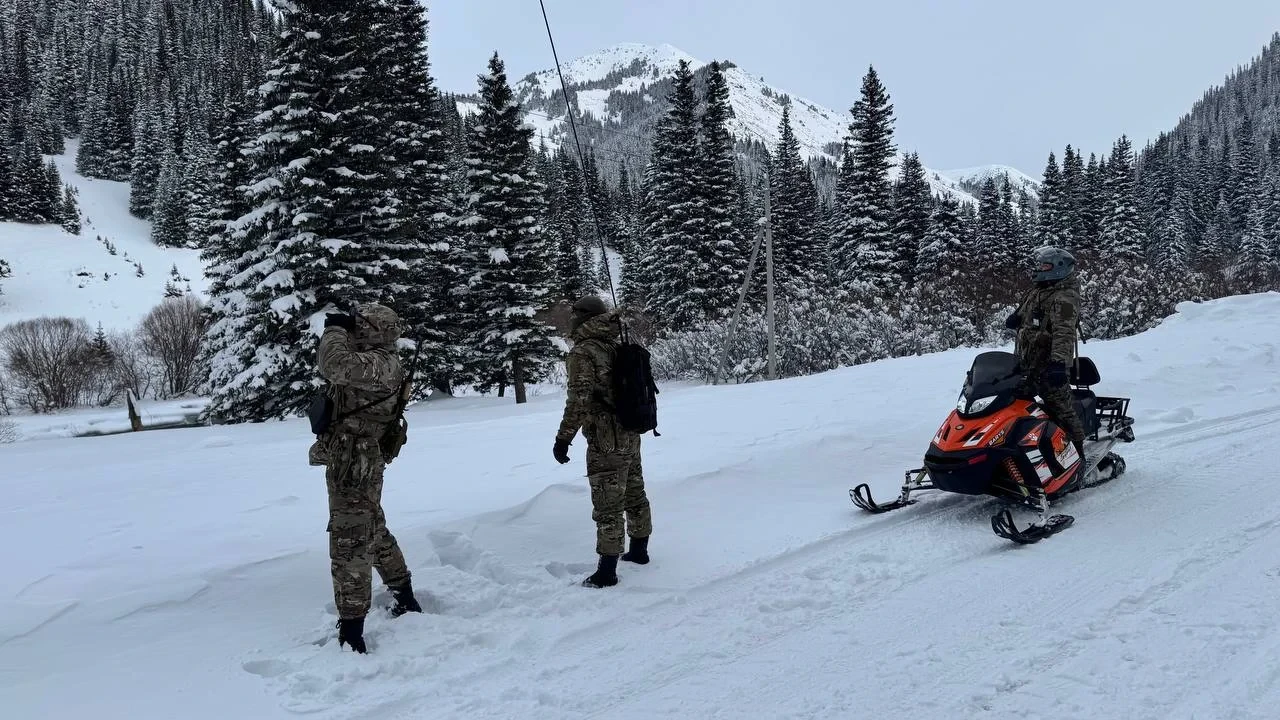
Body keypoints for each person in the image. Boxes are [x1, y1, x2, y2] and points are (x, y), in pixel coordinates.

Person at [314, 302, 422, 654]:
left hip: (355, 466)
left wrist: (334, 330)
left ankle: (352, 632)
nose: (354, 328)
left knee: (350, 542)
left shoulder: (380, 363)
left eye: (360, 325)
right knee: (372, 529)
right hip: (353, 460)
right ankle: (404, 596)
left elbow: (333, 364)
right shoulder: (375, 359)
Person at [553, 296, 652, 589]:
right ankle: (639, 550)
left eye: (574, 313)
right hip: (630, 431)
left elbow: (579, 400)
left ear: (582, 317)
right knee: (634, 490)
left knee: (608, 502)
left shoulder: (583, 352)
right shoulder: (613, 344)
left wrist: (563, 438)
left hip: (605, 437)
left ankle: (607, 571)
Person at [1007, 247, 1086, 469]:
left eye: (1045, 265)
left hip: (1050, 365)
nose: (1040, 269)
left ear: (1058, 268)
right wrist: (1016, 317)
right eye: (1040, 265)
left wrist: (1058, 364)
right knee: (1014, 402)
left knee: (1060, 406)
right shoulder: (1039, 289)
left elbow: (1064, 332)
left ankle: (1078, 454)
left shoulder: (1065, 297)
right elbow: (1027, 311)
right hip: (1027, 361)